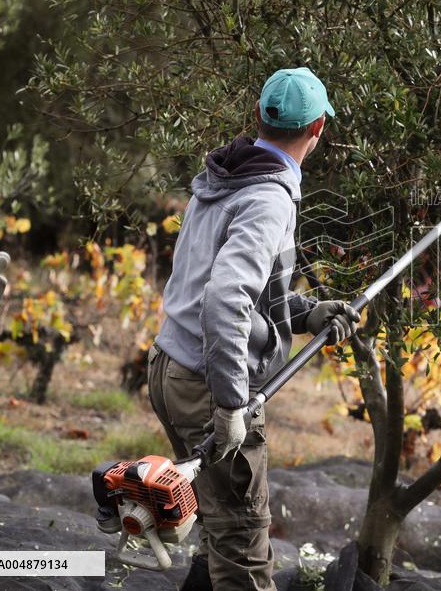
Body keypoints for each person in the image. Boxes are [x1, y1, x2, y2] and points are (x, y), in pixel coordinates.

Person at [148, 67, 361, 591]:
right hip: (205, 385)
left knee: (217, 523)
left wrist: (308, 314)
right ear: (318, 130)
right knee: (243, 541)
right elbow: (224, 300)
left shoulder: (229, 174)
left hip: (170, 367)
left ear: (260, 119)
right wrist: (228, 405)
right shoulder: (268, 198)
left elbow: (247, 295)